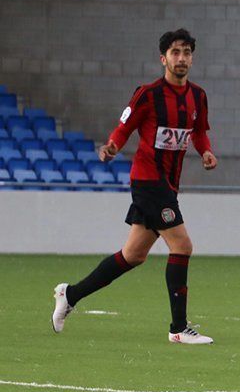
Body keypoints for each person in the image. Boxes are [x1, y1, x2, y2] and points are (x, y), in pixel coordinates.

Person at [51, 28, 218, 345]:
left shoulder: (198, 96)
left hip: (168, 183)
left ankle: (69, 294)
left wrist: (206, 151)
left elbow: (198, 132)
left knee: (133, 255)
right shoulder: (148, 94)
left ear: (191, 58)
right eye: (175, 52)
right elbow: (125, 125)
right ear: (163, 58)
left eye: (186, 53)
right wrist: (113, 146)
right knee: (182, 246)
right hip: (148, 180)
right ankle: (179, 329)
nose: (181, 58)